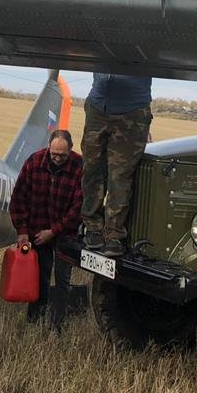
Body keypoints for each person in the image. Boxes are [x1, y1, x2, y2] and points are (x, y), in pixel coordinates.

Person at [8, 128, 83, 330]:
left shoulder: (80, 166)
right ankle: (35, 319)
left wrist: (54, 231)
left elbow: (79, 208)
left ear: (71, 150)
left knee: (62, 280)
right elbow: (19, 198)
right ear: (48, 147)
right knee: (39, 277)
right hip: (37, 231)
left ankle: (57, 324)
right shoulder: (34, 162)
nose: (57, 158)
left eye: (62, 155)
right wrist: (22, 231)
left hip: (65, 234)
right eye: (54, 154)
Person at [80, 73, 152, 257]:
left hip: (132, 109)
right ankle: (93, 227)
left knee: (119, 176)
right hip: (98, 105)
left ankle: (114, 235)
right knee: (91, 170)